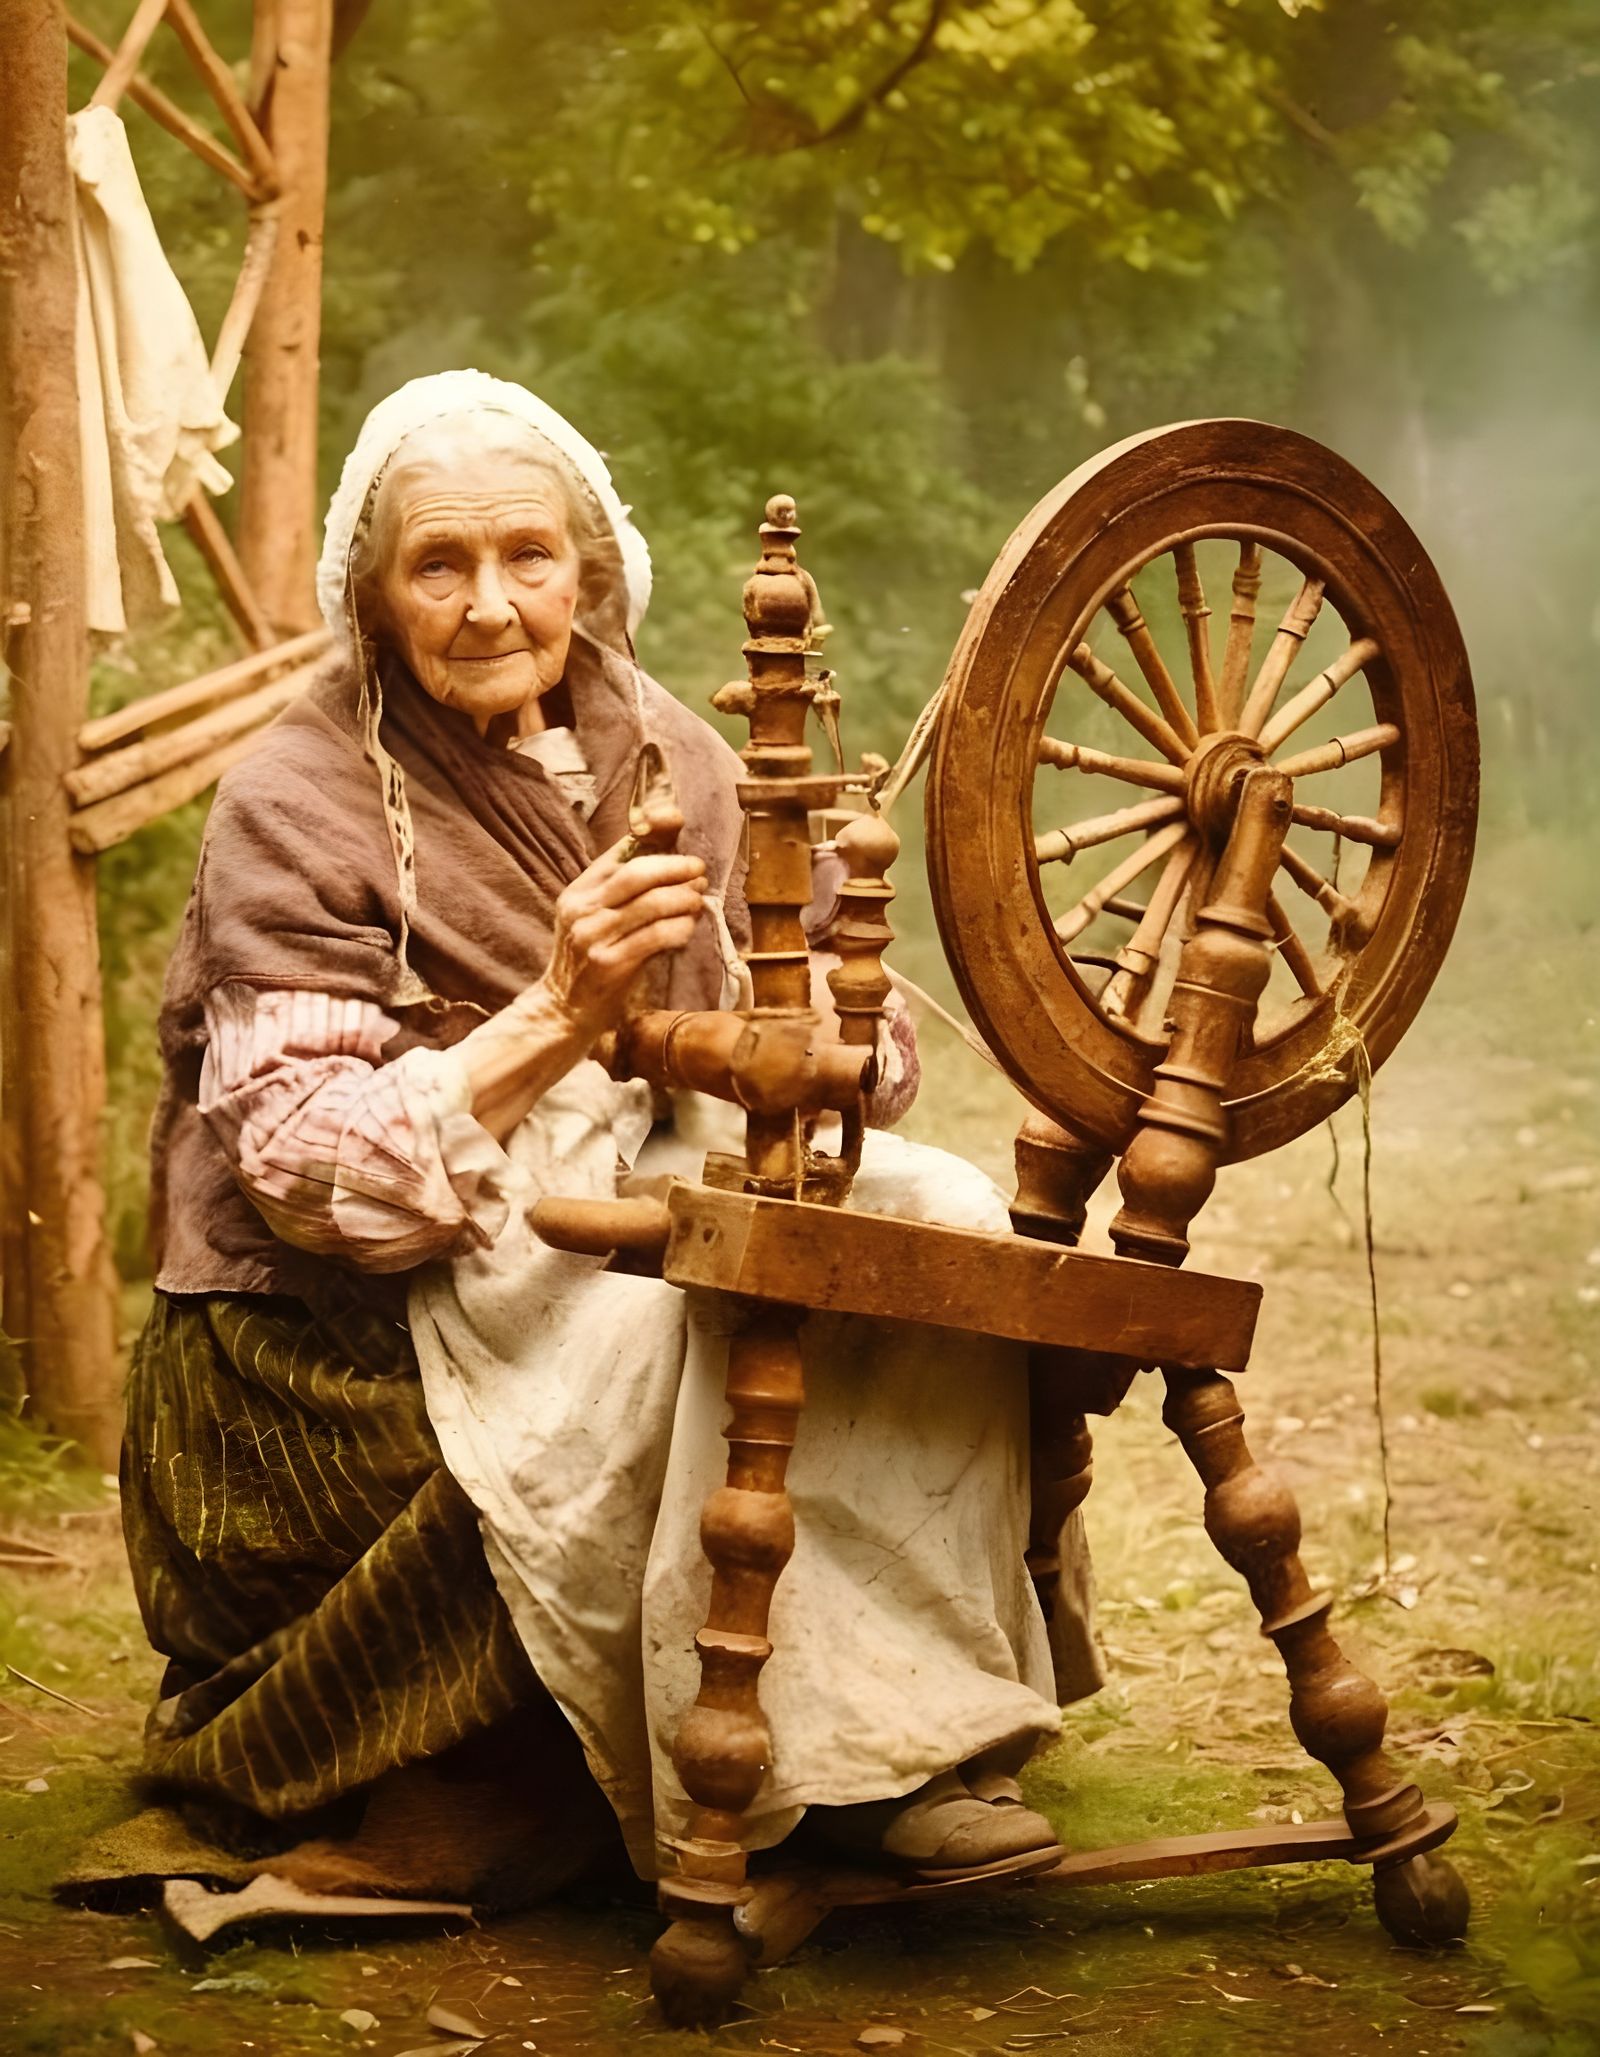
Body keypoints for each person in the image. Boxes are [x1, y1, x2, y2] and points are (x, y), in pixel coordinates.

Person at [121, 371, 1099, 1908]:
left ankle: (919, 1729)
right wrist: (564, 1010)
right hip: (369, 1286)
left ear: (593, 568)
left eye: (530, 556)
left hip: (631, 1169)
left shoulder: (669, 747)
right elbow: (310, 1172)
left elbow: (853, 1029)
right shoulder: (296, 798)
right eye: (438, 564)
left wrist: (843, 1040)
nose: (493, 604)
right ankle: (787, 1767)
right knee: (695, 1313)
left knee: (938, 1224)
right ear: (372, 599)